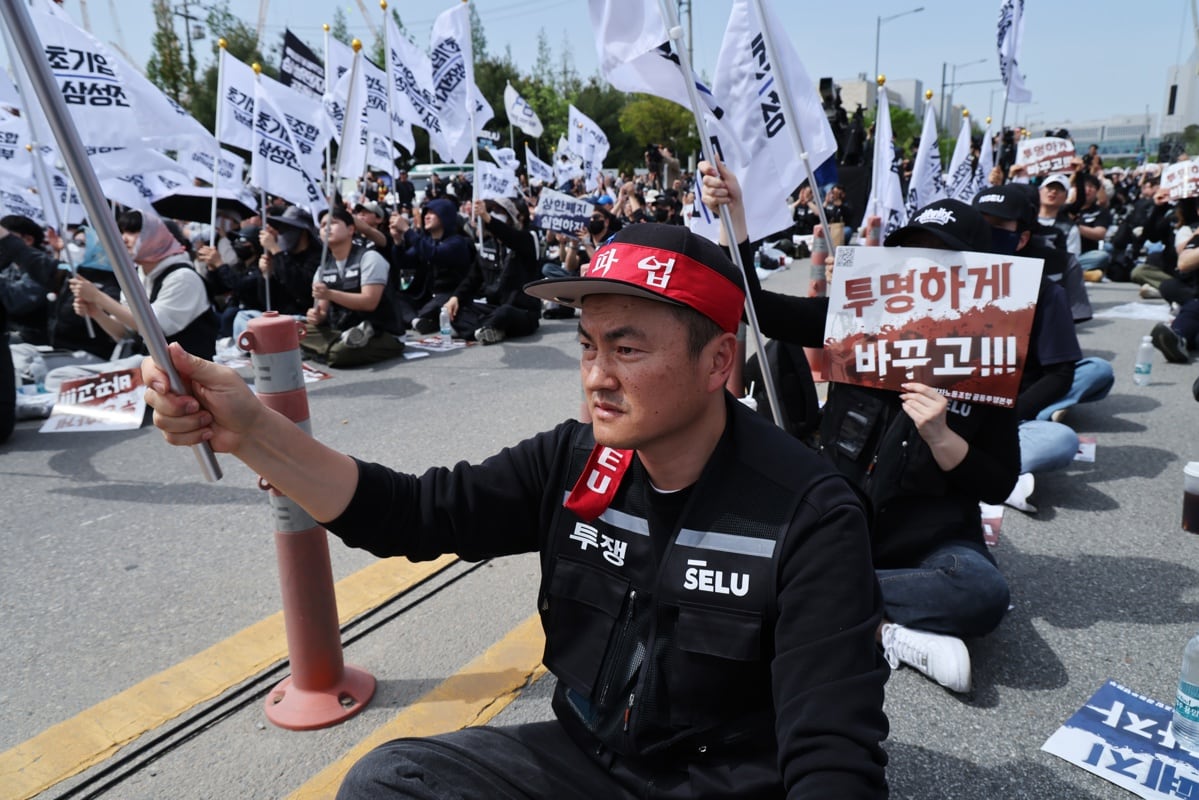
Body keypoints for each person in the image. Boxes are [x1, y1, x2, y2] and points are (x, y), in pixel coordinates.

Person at [142, 222, 890, 798]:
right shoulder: (572, 460)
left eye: (626, 351)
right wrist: (248, 432)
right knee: (391, 781)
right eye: (588, 345)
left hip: (722, 785)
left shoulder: (809, 512)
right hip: (584, 766)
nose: (596, 376)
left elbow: (831, 756)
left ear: (717, 363)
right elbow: (411, 513)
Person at [700, 160, 1019, 695]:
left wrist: (944, 437)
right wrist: (737, 223)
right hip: (838, 521)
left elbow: (1000, 482)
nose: (924, 268)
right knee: (727, 538)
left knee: (982, 591)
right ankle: (881, 628)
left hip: (930, 545)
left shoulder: (992, 350)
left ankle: (811, 603)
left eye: (942, 258)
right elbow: (756, 309)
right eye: (913, 252)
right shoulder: (861, 314)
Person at [70, 209, 218, 360]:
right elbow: (124, 333)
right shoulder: (136, 276)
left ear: (156, 236)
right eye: (122, 232)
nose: (124, 239)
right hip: (151, 368)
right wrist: (96, 312)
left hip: (185, 373)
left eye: (133, 232)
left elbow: (153, 327)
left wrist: (98, 297)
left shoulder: (184, 278)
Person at [301, 206, 404, 368]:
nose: (326, 228)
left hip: (381, 332)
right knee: (296, 332)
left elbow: (369, 302)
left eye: (333, 223)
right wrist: (316, 316)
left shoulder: (369, 258)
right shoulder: (322, 268)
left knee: (338, 354)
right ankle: (340, 343)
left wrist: (330, 294)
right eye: (322, 225)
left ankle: (321, 351)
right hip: (342, 330)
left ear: (351, 229)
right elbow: (321, 310)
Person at [443, 198, 541, 344]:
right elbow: (472, 279)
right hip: (494, 308)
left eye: (497, 211)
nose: (492, 214)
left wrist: (487, 217)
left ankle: (480, 329)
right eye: (490, 211)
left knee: (505, 313)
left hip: (521, 312)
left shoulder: (526, 240)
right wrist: (455, 298)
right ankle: (491, 329)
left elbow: (509, 235)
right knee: (456, 310)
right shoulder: (487, 247)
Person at [391, 197, 474, 334]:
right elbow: (405, 262)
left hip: (451, 295)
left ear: (445, 216)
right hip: (428, 295)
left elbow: (434, 254)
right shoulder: (426, 240)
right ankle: (416, 321)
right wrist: (398, 242)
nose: (427, 217)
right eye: (425, 213)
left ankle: (419, 319)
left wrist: (407, 230)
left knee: (432, 308)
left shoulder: (458, 242)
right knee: (396, 298)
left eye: (432, 213)